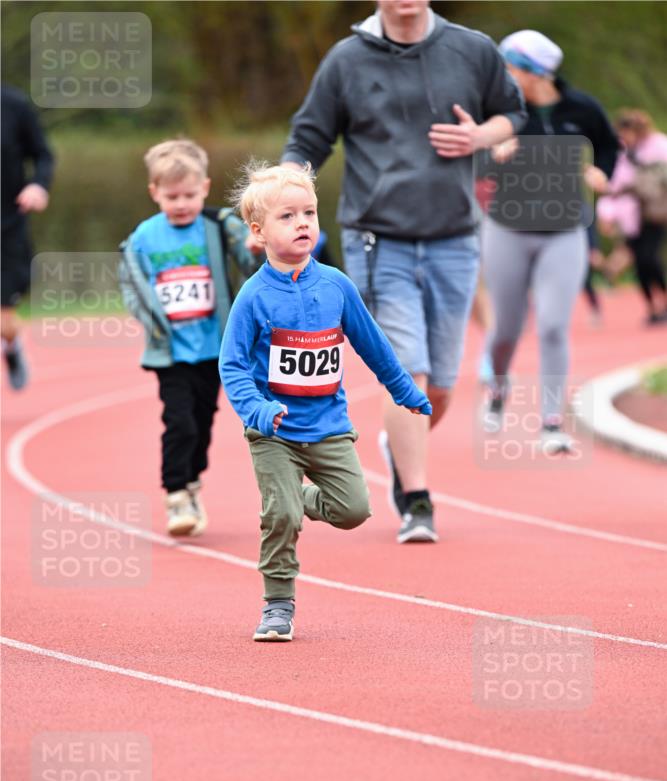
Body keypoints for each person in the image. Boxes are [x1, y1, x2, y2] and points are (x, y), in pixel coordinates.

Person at [281, 0, 526, 542]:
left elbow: (513, 113)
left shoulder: (471, 49)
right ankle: (417, 500)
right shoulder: (346, 59)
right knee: (406, 371)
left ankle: (400, 442)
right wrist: (283, 192)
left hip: (454, 237)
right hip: (377, 238)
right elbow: (308, 139)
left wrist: (481, 137)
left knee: (440, 386)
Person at [220, 163, 431, 642]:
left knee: (354, 510)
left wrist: (405, 391)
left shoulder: (336, 285)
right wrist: (257, 410)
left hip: (329, 426)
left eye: (309, 213)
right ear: (258, 231)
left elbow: (374, 346)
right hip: (274, 431)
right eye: (287, 216)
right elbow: (231, 366)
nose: (302, 224)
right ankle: (277, 603)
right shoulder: (252, 297)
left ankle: (294, 498)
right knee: (281, 516)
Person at [481, 30, 619, 454]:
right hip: (507, 230)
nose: (504, 75)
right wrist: (492, 154)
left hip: (563, 232)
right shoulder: (499, 111)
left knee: (554, 326)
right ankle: (498, 390)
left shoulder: (582, 108)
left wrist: (603, 173)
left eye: (510, 67)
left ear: (535, 72)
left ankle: (552, 423)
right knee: (506, 329)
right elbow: (469, 159)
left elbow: (609, 147)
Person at [120, 139, 259, 537]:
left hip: (215, 348)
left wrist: (255, 248)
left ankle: (193, 480)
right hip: (170, 351)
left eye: (189, 195)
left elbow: (252, 262)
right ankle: (177, 493)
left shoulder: (219, 226)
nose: (181, 204)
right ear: (154, 192)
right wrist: (151, 320)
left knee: (203, 421)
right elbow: (131, 284)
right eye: (171, 197)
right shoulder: (144, 237)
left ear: (205, 188)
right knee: (179, 421)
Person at [1, 84, 54, 390]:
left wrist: (38, 185)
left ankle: (11, 345)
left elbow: (43, 154)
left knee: (3, 320)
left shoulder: (14, 105)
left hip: (7, 229)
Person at [596, 109, 667, 325]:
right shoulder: (623, 154)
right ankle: (651, 306)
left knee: (649, 258)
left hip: (655, 213)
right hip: (631, 216)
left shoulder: (659, 146)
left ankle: (664, 300)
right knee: (640, 264)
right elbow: (613, 187)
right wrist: (607, 213)